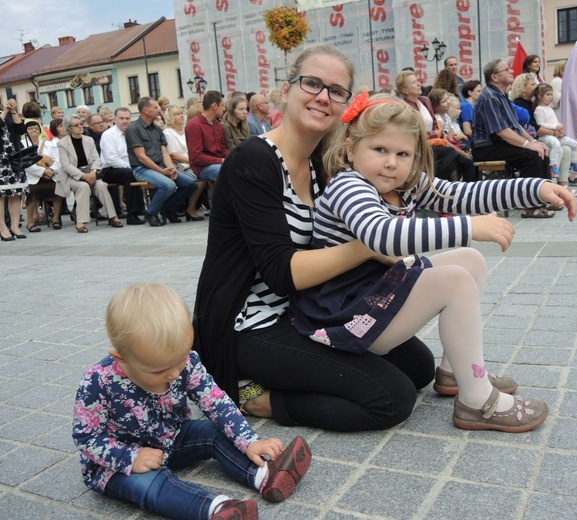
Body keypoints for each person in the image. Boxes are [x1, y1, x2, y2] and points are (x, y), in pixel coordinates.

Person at [289, 92, 577, 432]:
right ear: (351, 148)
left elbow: (466, 194)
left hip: (373, 293)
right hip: (345, 314)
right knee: (454, 280)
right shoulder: (348, 185)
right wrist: (471, 226)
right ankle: (477, 401)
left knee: (470, 260)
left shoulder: (405, 184)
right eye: (379, 150)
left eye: (403, 154)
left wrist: (537, 187)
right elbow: (382, 234)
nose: (391, 163)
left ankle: (457, 371)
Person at [194, 44, 437, 432]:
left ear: (345, 104)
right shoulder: (253, 161)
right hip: (251, 325)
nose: (323, 97)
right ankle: (260, 398)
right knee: (391, 398)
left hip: (308, 310)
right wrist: (367, 248)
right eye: (312, 84)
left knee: (419, 368)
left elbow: (418, 193)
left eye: (336, 91)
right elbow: (281, 274)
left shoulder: (322, 161)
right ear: (287, 89)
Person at [73, 283, 311, 520]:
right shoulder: (98, 382)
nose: (175, 373)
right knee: (149, 486)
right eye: (160, 371)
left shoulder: (184, 362)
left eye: (181, 359)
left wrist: (248, 440)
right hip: (118, 464)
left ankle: (264, 474)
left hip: (173, 437)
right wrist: (130, 458)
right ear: (120, 357)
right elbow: (86, 437)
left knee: (213, 431)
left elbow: (215, 402)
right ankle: (215, 509)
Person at [472, 60, 553, 218]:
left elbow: (516, 126)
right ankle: (530, 207)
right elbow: (501, 131)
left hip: (500, 144)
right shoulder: (489, 97)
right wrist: (528, 145)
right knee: (531, 156)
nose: (511, 71)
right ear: (495, 77)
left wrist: (534, 142)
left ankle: (544, 198)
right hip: (486, 147)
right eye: (506, 69)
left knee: (541, 151)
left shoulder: (502, 96)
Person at [126, 97, 197, 226]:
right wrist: (162, 171)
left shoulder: (157, 129)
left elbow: (164, 152)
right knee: (168, 185)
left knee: (191, 184)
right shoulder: (133, 129)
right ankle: (151, 213)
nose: (159, 110)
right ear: (146, 111)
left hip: (161, 165)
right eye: (155, 107)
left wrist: (171, 168)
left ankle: (169, 208)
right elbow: (141, 157)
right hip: (142, 169)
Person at [397, 69, 475, 182]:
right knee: (451, 155)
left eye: (417, 81)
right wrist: (435, 134)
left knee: (465, 162)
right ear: (405, 89)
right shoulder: (405, 107)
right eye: (414, 83)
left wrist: (437, 133)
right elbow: (414, 132)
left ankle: (465, 191)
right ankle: (453, 190)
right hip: (421, 147)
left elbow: (435, 123)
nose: (419, 84)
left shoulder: (425, 100)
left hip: (436, 144)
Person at [57, 116, 123, 233]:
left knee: (101, 185)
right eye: (76, 125)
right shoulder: (62, 143)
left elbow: (97, 159)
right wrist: (83, 177)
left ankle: (113, 216)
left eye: (81, 124)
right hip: (72, 176)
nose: (80, 127)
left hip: (90, 173)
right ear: (69, 128)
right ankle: (80, 222)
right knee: (83, 186)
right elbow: (66, 165)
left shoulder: (89, 140)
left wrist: (92, 173)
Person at [99, 108, 146, 225]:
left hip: (128, 167)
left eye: (127, 118)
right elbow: (111, 159)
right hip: (109, 170)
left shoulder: (133, 133)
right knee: (130, 174)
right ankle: (132, 214)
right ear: (115, 119)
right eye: (121, 118)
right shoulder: (108, 135)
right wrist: (130, 167)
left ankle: (143, 208)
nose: (125, 121)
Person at [164, 105, 204, 221]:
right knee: (200, 178)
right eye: (177, 114)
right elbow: (173, 155)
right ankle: (190, 208)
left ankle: (194, 206)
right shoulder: (168, 132)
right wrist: (194, 161)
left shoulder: (186, 129)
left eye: (182, 113)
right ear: (171, 117)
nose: (181, 115)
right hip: (180, 165)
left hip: (193, 163)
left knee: (207, 174)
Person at [533, 83, 577, 178]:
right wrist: (555, 127)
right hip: (545, 137)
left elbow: (555, 122)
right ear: (540, 96)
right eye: (548, 94)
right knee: (556, 144)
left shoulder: (550, 109)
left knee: (574, 143)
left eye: (551, 94)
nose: (550, 97)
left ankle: (574, 163)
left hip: (555, 134)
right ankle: (553, 166)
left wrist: (561, 129)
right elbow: (540, 124)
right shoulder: (539, 109)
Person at [24, 120, 62, 231]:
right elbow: (26, 164)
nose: (34, 130)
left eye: (36, 128)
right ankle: (30, 222)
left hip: (51, 175)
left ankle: (56, 219)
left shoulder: (48, 144)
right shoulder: (22, 145)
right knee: (31, 191)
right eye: (30, 128)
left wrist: (51, 170)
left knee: (57, 187)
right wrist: (43, 172)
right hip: (34, 177)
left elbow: (57, 160)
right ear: (25, 132)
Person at [0, 99, 28, 241]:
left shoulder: (9, 114)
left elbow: (21, 131)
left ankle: (15, 226)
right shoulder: (2, 114)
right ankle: (3, 227)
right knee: (1, 195)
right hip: (1, 160)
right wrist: (4, 112)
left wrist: (13, 111)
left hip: (14, 158)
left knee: (16, 193)